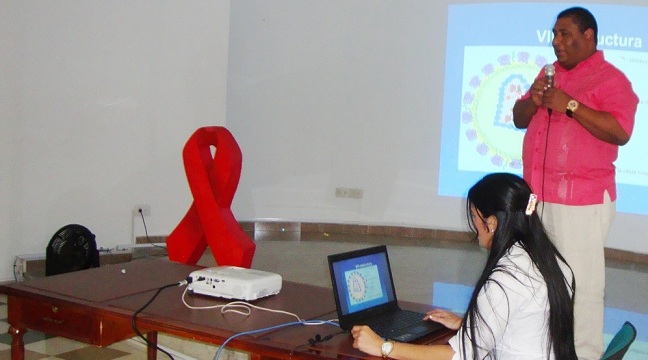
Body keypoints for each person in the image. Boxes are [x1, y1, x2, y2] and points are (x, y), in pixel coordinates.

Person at [512, 7, 639, 359]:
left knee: (582, 288)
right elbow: (518, 118)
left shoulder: (610, 80)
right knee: (544, 284)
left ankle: (584, 355)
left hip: (581, 202)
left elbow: (620, 131)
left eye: (566, 33)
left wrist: (569, 104)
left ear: (589, 37)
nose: (557, 41)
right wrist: (535, 100)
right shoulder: (547, 73)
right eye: (554, 34)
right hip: (539, 198)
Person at [351, 173, 576, 360]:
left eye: (473, 217)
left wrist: (382, 346)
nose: (474, 227)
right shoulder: (553, 262)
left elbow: (458, 356)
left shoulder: (507, 278)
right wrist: (469, 325)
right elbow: (529, 328)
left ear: (492, 223)